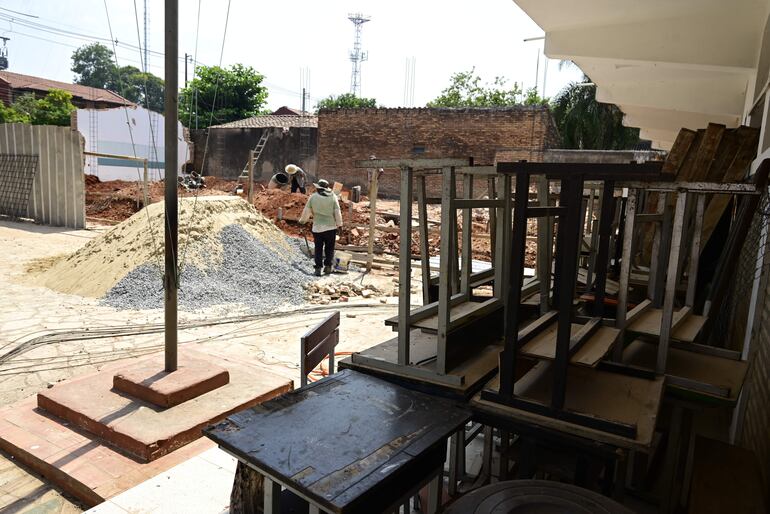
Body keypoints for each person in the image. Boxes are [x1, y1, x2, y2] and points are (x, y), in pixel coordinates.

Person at [298, 179, 343, 276]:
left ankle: (318, 268)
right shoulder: (333, 197)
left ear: (318, 188)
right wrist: (339, 225)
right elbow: (337, 212)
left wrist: (302, 222)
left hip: (317, 228)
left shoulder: (313, 197)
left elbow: (307, 211)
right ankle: (328, 267)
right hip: (331, 228)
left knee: (318, 248)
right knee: (329, 248)